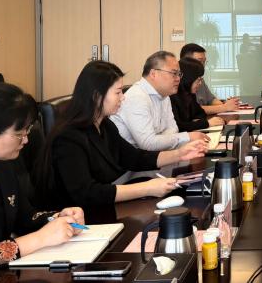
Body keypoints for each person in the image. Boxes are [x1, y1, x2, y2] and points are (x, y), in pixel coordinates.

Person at [34, 61, 208, 209]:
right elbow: (87, 193)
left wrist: (180, 154)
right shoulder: (68, 137)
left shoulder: (105, 125)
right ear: (97, 96)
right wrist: (147, 188)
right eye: (118, 92)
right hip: (82, 218)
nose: (123, 98)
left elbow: (134, 158)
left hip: (105, 205)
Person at [0, 83, 85, 278]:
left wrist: (59, 218)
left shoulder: (2, 164)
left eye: (27, 131)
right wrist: (39, 239)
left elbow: (25, 218)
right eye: (19, 134)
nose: (25, 140)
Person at [111, 51, 209, 151]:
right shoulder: (136, 97)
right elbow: (148, 143)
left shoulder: (164, 95)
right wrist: (187, 136)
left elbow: (173, 128)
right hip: (133, 157)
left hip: (155, 153)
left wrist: (159, 139)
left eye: (179, 74)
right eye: (174, 73)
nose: (178, 79)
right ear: (153, 74)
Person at [179, 43, 239, 114]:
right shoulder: (179, 82)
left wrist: (228, 104)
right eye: (199, 61)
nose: (203, 65)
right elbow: (193, 109)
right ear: (186, 62)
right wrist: (224, 107)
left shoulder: (200, 80)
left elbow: (211, 100)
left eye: (204, 62)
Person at [171, 58, 225, 131]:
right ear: (188, 79)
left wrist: (196, 123)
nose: (200, 83)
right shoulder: (172, 96)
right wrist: (206, 123)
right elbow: (178, 126)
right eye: (198, 79)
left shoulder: (190, 94)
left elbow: (200, 113)